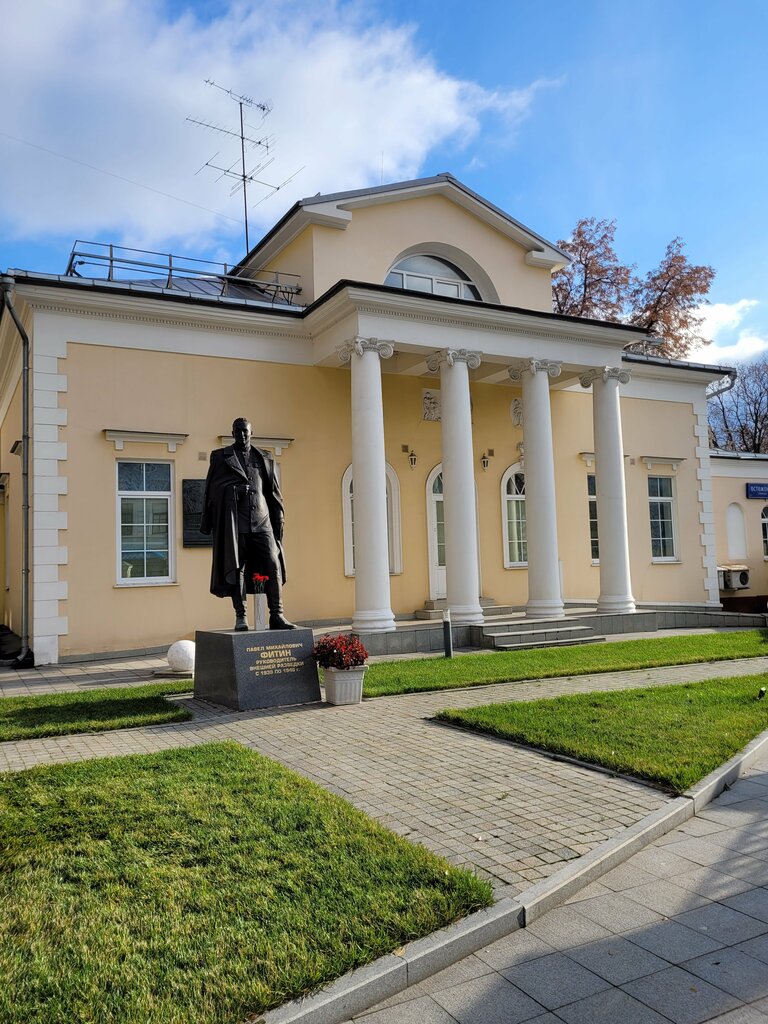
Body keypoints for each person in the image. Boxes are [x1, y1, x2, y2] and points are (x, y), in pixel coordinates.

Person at [200, 417, 295, 631]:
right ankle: (241, 616)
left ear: (251, 433)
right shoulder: (221, 457)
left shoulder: (264, 457)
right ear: (232, 433)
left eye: (245, 431)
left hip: (263, 521)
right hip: (237, 522)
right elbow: (212, 492)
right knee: (238, 567)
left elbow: (273, 492)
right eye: (238, 431)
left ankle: (277, 614)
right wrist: (232, 491)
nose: (242, 435)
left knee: (273, 562)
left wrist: (279, 518)